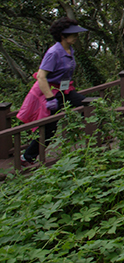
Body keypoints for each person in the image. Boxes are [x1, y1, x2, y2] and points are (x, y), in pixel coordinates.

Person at [17, 17, 89, 166]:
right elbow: (41, 77)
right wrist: (50, 99)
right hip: (47, 93)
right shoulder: (54, 52)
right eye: (73, 34)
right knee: (49, 128)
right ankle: (27, 157)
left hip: (64, 90)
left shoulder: (69, 50)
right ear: (62, 36)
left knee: (88, 106)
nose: (76, 37)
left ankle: (101, 134)